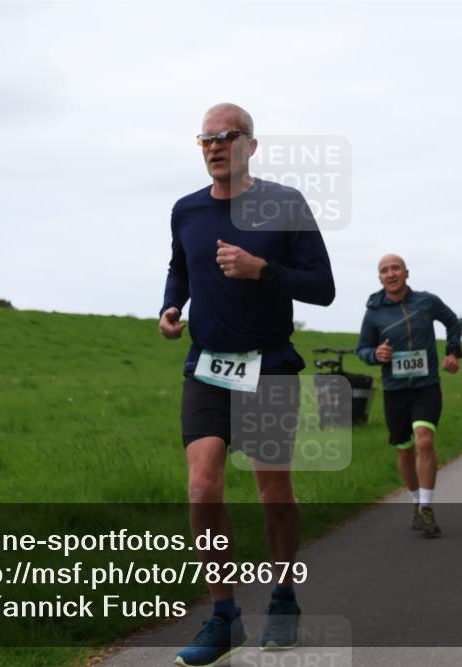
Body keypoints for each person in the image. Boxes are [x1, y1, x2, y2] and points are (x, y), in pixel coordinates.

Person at [159, 103, 335, 666]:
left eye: (226, 136)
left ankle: (283, 597)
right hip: (208, 365)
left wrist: (264, 270)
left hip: (269, 366)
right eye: (205, 138)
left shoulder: (284, 204)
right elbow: (180, 267)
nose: (214, 146)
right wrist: (170, 305)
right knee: (203, 487)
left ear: (250, 146)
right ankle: (224, 614)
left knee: (273, 493)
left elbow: (323, 287)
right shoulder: (186, 211)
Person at [356, 254, 462, 538]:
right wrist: (375, 354)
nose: (390, 274)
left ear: (406, 272)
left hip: (426, 386)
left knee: (424, 441)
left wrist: (453, 352)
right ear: (379, 278)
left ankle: (427, 509)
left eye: (395, 269)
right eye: (384, 270)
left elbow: (452, 321)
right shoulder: (374, 311)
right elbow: (362, 348)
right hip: (395, 391)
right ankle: (416, 501)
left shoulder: (426, 302)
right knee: (404, 450)